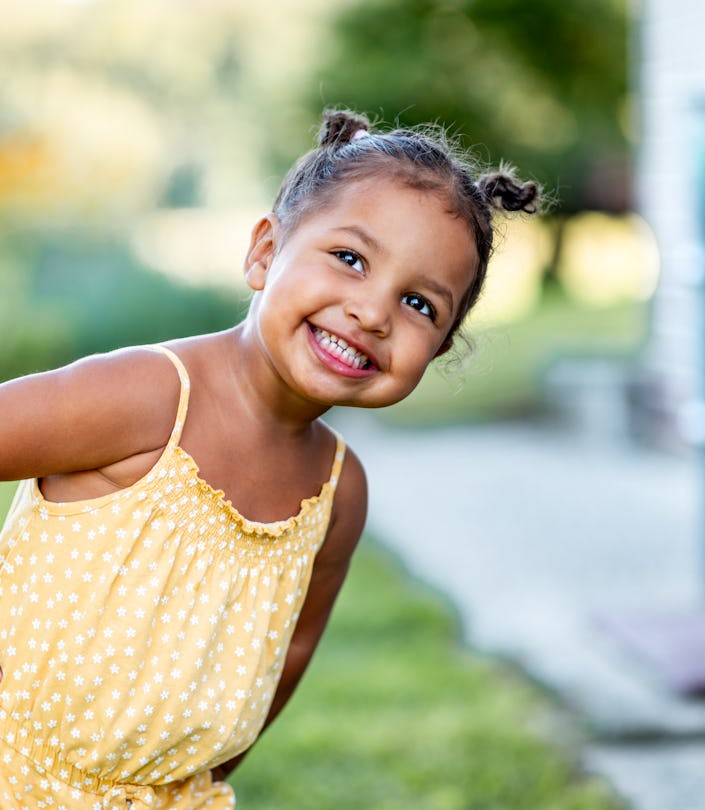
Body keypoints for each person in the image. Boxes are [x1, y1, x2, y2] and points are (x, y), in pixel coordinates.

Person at [0, 109, 538, 807]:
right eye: (350, 259)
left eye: (417, 303)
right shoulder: (148, 398)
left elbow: (290, 652)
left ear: (435, 352)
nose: (373, 313)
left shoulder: (339, 493)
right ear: (264, 251)